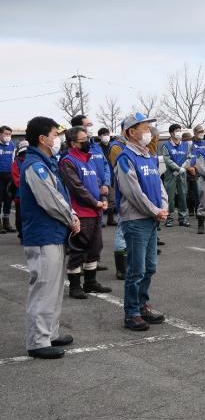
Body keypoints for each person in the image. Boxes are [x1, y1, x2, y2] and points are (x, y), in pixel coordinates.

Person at [21, 116, 80, 359]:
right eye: (55, 134)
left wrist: (71, 214)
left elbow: (60, 195)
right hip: (43, 235)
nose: (57, 139)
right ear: (42, 138)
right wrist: (71, 217)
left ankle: (49, 333)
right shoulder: (36, 166)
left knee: (54, 288)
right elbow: (50, 200)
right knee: (44, 288)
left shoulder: (47, 163)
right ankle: (37, 341)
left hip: (53, 233)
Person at [115, 113, 168, 331]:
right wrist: (155, 210)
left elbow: (159, 185)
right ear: (131, 132)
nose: (149, 132)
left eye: (149, 128)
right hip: (137, 220)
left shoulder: (148, 156)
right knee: (136, 269)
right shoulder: (126, 158)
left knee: (150, 267)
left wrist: (163, 207)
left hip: (152, 218)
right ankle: (132, 312)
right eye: (144, 128)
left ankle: (142, 304)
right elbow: (133, 193)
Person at [59, 126, 112, 299]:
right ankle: (75, 286)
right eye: (84, 140)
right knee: (78, 249)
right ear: (74, 143)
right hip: (81, 212)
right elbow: (77, 188)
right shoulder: (68, 161)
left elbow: (95, 182)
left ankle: (90, 282)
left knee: (95, 248)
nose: (88, 142)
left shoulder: (87, 159)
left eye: (88, 138)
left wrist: (103, 197)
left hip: (95, 211)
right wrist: (94, 202)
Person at [162, 123, 191, 228]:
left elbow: (189, 158)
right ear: (171, 133)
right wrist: (177, 168)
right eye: (176, 131)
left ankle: (183, 218)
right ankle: (169, 218)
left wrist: (183, 168)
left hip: (182, 174)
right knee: (170, 197)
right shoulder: (166, 145)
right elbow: (167, 159)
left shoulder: (186, 145)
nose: (179, 132)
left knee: (183, 195)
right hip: (171, 174)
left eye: (180, 130)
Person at [97, 127, 118, 226]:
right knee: (100, 198)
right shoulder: (97, 148)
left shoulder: (112, 146)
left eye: (107, 134)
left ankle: (111, 219)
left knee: (111, 199)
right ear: (99, 137)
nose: (106, 136)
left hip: (112, 174)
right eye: (103, 135)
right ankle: (100, 220)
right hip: (100, 175)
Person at [11, 140, 28, 242]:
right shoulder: (16, 163)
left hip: (32, 194)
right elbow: (16, 179)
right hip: (20, 195)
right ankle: (22, 235)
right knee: (20, 216)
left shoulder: (33, 161)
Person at [0, 125, 16, 233]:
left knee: (8, 200)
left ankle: (6, 221)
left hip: (9, 176)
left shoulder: (12, 145)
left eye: (10, 134)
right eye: (6, 134)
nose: (8, 136)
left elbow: (13, 160)